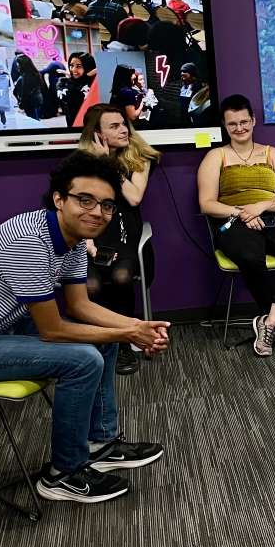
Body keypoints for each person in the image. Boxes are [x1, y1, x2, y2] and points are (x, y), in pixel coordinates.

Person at [0, 151, 171, 504]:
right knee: (84, 359)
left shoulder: (75, 241)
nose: (97, 212)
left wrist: (138, 326)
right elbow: (53, 331)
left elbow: (82, 306)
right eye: (85, 200)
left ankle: (98, 442)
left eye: (107, 205)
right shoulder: (28, 241)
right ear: (59, 200)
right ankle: (63, 474)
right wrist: (129, 333)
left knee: (103, 343)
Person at [197, 94, 275, 357]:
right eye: (232, 124)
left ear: (253, 121)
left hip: (272, 218)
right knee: (250, 255)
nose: (239, 128)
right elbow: (207, 204)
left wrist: (260, 207)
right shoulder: (216, 157)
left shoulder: (273, 154)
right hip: (232, 222)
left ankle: (269, 322)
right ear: (225, 127)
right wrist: (242, 212)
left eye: (244, 121)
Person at [79, 104, 160, 375]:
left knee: (123, 275)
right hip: (90, 235)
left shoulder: (140, 157)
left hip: (125, 233)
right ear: (96, 134)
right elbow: (77, 207)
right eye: (114, 126)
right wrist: (87, 242)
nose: (124, 129)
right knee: (90, 284)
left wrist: (110, 164)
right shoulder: (81, 164)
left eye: (123, 123)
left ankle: (125, 341)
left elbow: (134, 197)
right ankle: (101, 341)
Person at [59, 52, 96, 127]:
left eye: (79, 66)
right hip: (74, 128)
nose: (73, 69)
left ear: (88, 67)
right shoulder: (63, 83)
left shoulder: (94, 83)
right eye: (71, 65)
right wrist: (86, 77)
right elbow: (70, 97)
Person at [13, 54, 46, 120]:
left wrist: (21, 104)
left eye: (18, 64)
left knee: (34, 120)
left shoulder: (24, 77)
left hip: (30, 103)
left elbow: (24, 93)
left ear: (23, 65)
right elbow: (42, 87)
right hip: (38, 100)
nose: (17, 66)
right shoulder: (36, 74)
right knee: (36, 119)